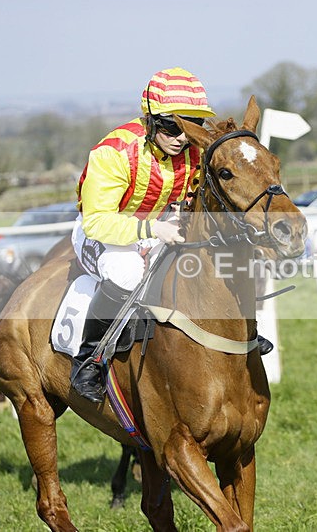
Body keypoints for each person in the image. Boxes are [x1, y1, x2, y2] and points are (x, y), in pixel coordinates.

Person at [69, 67, 218, 402]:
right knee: (128, 272)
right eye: (172, 126)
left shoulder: (193, 152)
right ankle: (88, 360)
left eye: (191, 127)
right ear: (150, 120)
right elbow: (97, 222)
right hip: (101, 232)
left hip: (156, 229)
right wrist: (154, 228)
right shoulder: (114, 152)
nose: (182, 138)